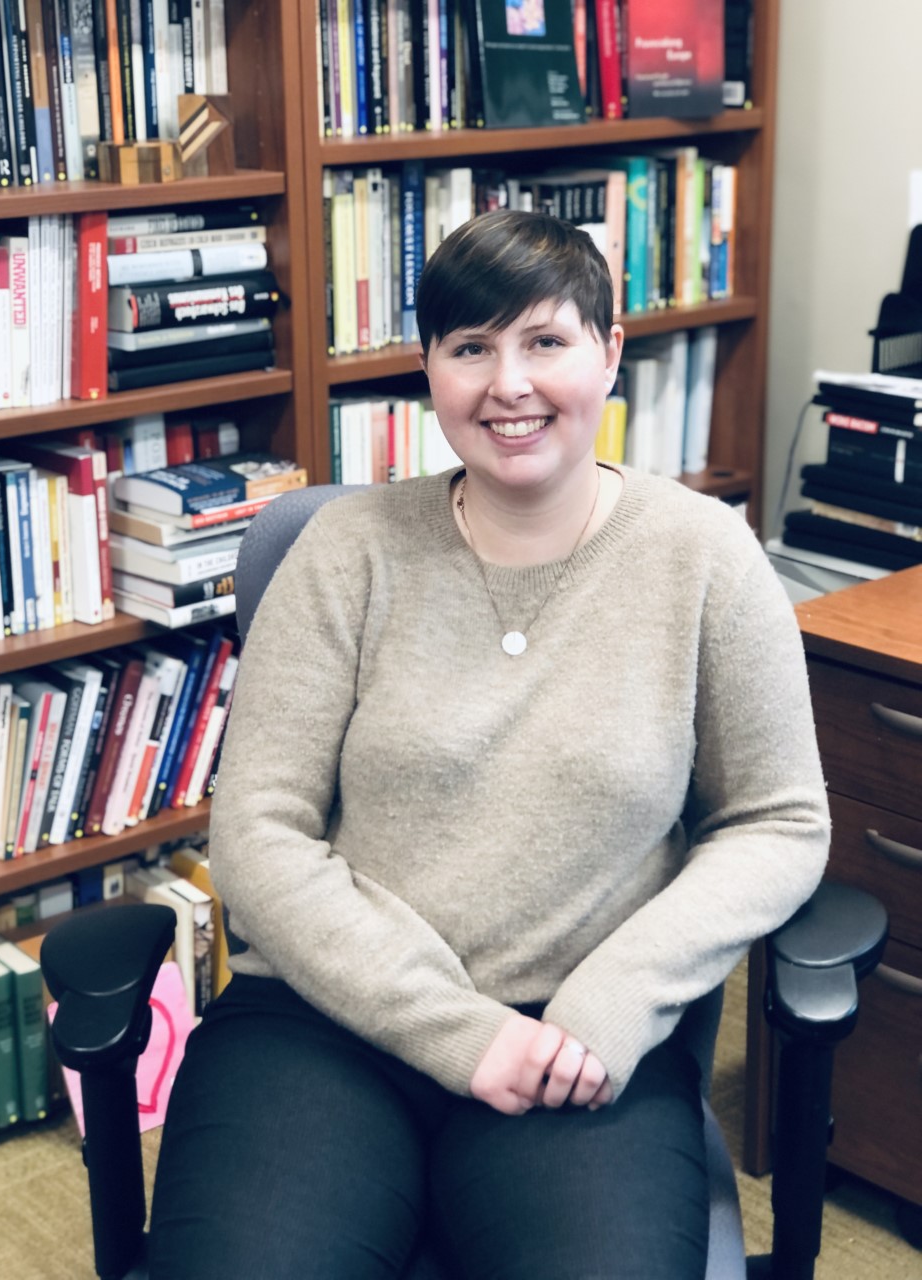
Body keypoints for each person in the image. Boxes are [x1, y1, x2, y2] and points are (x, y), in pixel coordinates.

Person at [148, 210, 830, 1279]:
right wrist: (460, 1032)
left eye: (544, 341)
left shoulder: (705, 558)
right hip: (325, 1024)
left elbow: (779, 819)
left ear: (610, 353)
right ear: (431, 371)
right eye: (471, 347)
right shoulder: (346, 550)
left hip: (571, 1041)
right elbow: (258, 831)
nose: (508, 383)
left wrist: (614, 1001)